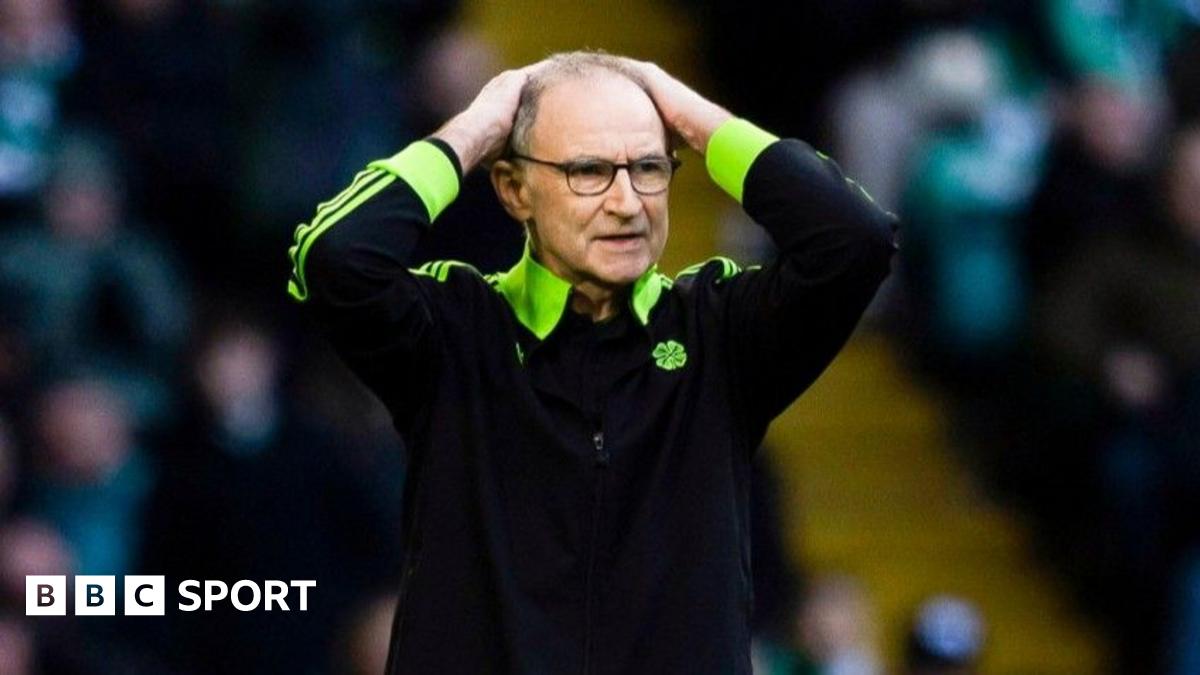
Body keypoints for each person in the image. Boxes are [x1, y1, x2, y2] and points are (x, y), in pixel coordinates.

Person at [287, 51, 897, 674]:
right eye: (589, 171)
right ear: (513, 189)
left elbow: (857, 240)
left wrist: (692, 116)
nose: (627, 202)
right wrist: (472, 132)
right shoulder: (454, 330)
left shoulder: (721, 331)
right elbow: (336, 257)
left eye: (649, 168)